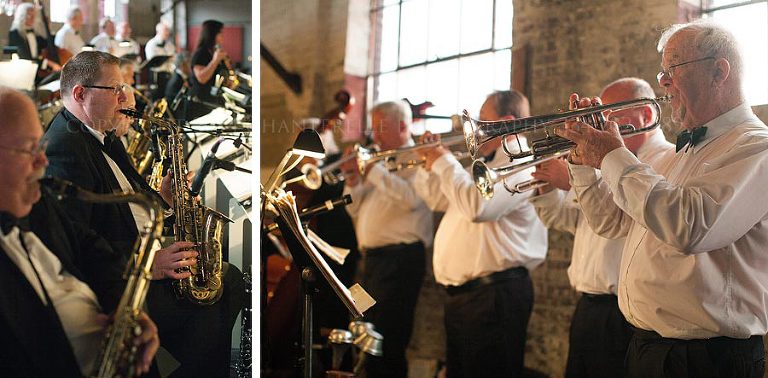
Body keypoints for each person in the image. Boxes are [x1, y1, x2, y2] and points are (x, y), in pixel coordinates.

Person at [555, 20, 768, 377]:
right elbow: (610, 221)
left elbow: (691, 227)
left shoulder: (755, 147)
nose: (664, 83)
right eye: (662, 73)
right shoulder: (680, 155)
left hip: (705, 360)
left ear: (719, 71)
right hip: (647, 347)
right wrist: (584, 164)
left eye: (674, 69)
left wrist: (612, 156)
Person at [43, 51, 245, 378]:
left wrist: (164, 200)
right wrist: (149, 264)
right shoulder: (64, 148)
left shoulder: (100, 133)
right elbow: (76, 243)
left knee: (226, 280)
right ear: (80, 94)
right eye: (116, 89)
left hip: (140, 253)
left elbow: (129, 198)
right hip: (118, 284)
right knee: (223, 287)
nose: (126, 97)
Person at [0, 86, 159, 377]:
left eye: (41, 148)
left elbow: (92, 247)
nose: (43, 163)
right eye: (29, 150)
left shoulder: (38, 200)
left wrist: (126, 308)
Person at [529, 78, 673, 377]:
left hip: (622, 312)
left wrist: (574, 177)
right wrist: (548, 190)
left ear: (646, 115)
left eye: (611, 115)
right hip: (589, 306)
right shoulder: (604, 164)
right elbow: (575, 222)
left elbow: (618, 223)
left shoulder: (664, 160)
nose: (601, 125)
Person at [413, 90, 547, 377]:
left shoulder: (520, 163)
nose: (474, 128)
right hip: (469, 300)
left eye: (483, 120)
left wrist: (442, 160)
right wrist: (428, 164)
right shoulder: (490, 165)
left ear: (506, 121)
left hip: (494, 298)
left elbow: (477, 207)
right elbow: (438, 200)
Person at [340, 100, 433, 377]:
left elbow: (413, 200)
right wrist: (353, 180)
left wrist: (372, 170)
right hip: (372, 262)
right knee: (364, 331)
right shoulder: (379, 161)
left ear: (403, 126)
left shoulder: (419, 157)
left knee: (387, 339)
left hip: (400, 260)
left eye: (381, 128)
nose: (375, 136)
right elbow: (355, 208)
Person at [187, 19, 230, 119]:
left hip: (213, 101)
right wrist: (215, 61)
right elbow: (202, 78)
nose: (222, 36)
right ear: (212, 34)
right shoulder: (200, 53)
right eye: (220, 33)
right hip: (199, 103)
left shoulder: (214, 51)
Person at [7, 3, 61, 75]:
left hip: (37, 71)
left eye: (33, 15)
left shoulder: (34, 33)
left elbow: (48, 43)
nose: (32, 18)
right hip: (23, 72)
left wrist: (47, 26)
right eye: (29, 15)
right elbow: (25, 58)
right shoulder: (15, 34)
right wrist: (48, 63)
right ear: (21, 16)